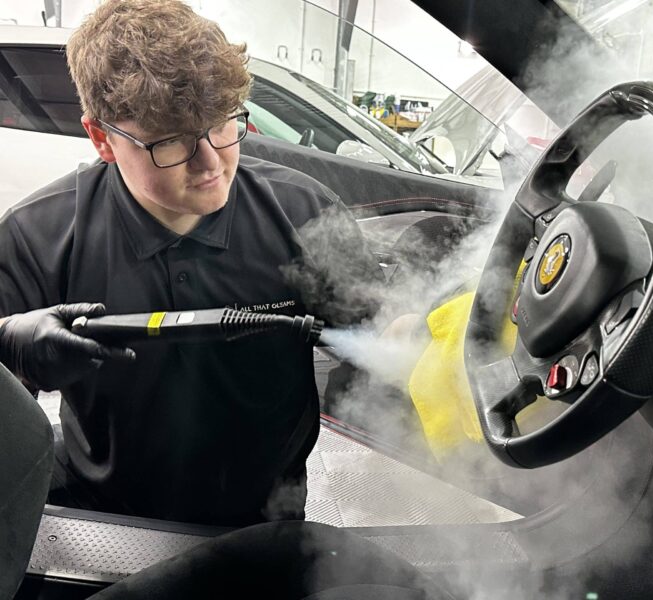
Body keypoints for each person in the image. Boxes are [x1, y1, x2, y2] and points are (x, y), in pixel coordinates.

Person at [0, 0, 382, 527]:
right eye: (172, 142)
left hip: (267, 519)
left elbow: (380, 333)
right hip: (107, 519)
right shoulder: (35, 236)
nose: (211, 163)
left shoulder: (304, 212)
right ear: (101, 137)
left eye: (223, 125)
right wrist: (7, 345)